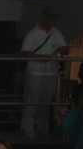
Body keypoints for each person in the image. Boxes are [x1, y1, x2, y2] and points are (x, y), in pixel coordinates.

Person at [19, 8, 68, 138]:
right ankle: (27, 129)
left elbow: (65, 48)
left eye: (53, 19)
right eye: (49, 19)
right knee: (32, 100)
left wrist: (60, 50)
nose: (51, 22)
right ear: (44, 19)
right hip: (35, 71)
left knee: (45, 102)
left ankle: (41, 128)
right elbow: (24, 52)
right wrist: (42, 57)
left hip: (51, 71)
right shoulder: (33, 33)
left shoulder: (56, 33)